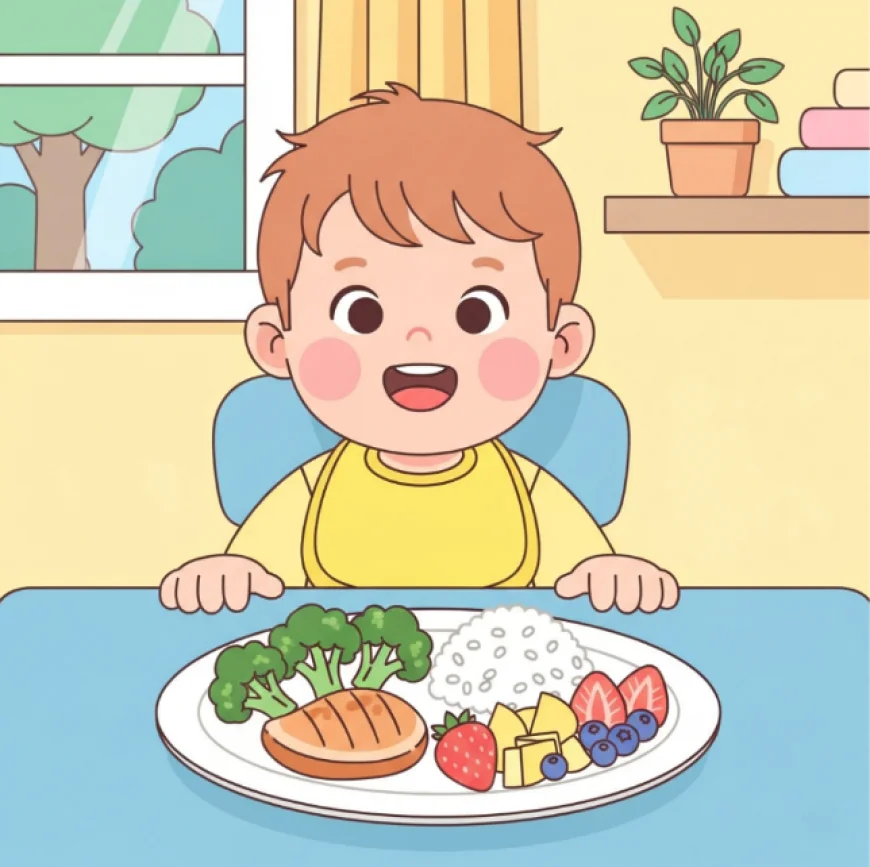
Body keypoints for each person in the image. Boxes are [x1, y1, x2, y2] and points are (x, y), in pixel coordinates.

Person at [160, 84, 679, 615]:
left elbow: (586, 579)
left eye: (477, 314)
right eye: (361, 314)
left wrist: (611, 574)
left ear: (561, 345)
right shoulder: (310, 493)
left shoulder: (531, 494)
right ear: (277, 344)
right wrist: (226, 574)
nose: (419, 343)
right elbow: (254, 580)